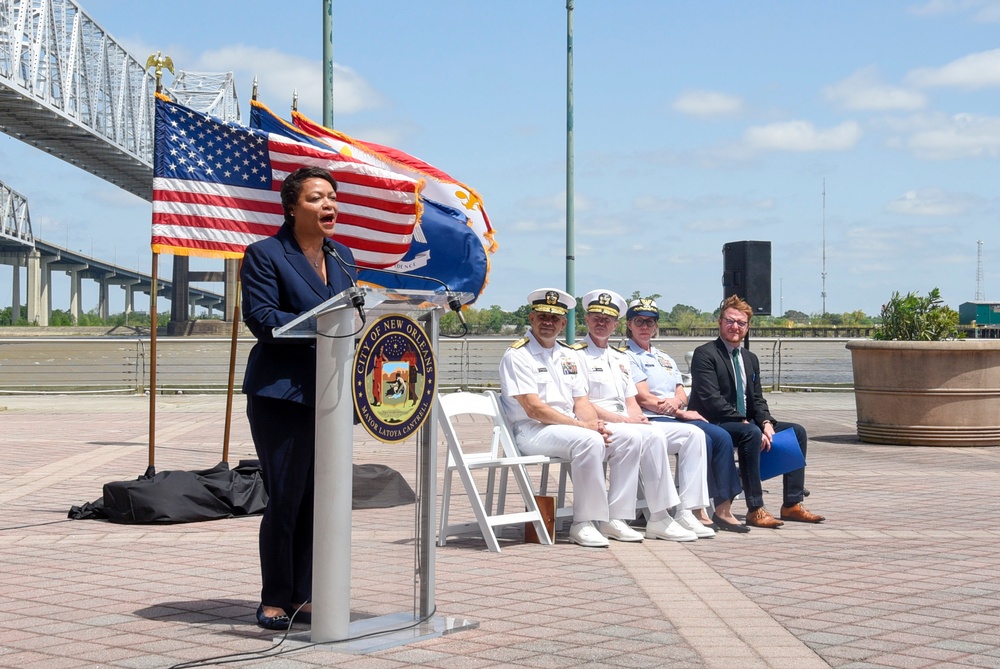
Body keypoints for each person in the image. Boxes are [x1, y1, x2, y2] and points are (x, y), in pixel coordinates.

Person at [241, 166, 358, 630]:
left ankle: (306, 595)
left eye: (332, 197)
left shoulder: (344, 256)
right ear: (291, 207)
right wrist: (327, 322)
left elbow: (355, 312)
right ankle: (275, 598)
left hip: (331, 394)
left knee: (321, 500)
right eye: (316, 198)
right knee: (287, 498)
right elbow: (264, 319)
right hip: (283, 396)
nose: (329, 205)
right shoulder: (265, 254)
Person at [498, 288, 647, 547]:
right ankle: (584, 523)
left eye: (555, 318)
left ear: (563, 323)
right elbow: (534, 409)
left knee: (629, 438)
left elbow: (581, 401)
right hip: (531, 430)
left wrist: (596, 424)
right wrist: (585, 427)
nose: (548, 322)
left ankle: (616, 518)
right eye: (542, 316)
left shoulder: (568, 354)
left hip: (567, 426)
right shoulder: (517, 355)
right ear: (531, 318)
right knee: (589, 441)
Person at [574, 289, 712, 541]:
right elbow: (582, 403)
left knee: (692, 434)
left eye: (608, 319)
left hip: (627, 421)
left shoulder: (619, 357)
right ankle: (654, 516)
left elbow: (630, 400)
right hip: (601, 422)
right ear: (587, 320)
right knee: (648, 436)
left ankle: (685, 511)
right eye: (596, 317)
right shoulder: (574, 354)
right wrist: (626, 420)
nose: (602, 323)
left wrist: (638, 418)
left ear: (616, 323)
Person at [688, 295, 825, 529]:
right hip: (715, 423)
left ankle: (792, 504)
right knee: (750, 433)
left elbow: (757, 399)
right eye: (730, 321)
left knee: (796, 432)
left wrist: (766, 423)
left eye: (741, 323)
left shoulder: (750, 359)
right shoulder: (705, 354)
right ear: (720, 323)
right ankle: (755, 508)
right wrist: (746, 423)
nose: (735, 327)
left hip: (745, 423)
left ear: (748, 327)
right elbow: (711, 400)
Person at [623, 298, 747, 533]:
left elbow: (681, 392)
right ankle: (694, 510)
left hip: (674, 416)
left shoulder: (664, 357)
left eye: (650, 322)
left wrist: (677, 404)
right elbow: (643, 397)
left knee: (721, 436)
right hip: (651, 418)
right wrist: (676, 408)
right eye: (639, 321)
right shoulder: (626, 356)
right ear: (629, 324)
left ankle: (721, 504)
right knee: (704, 437)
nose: (645, 327)